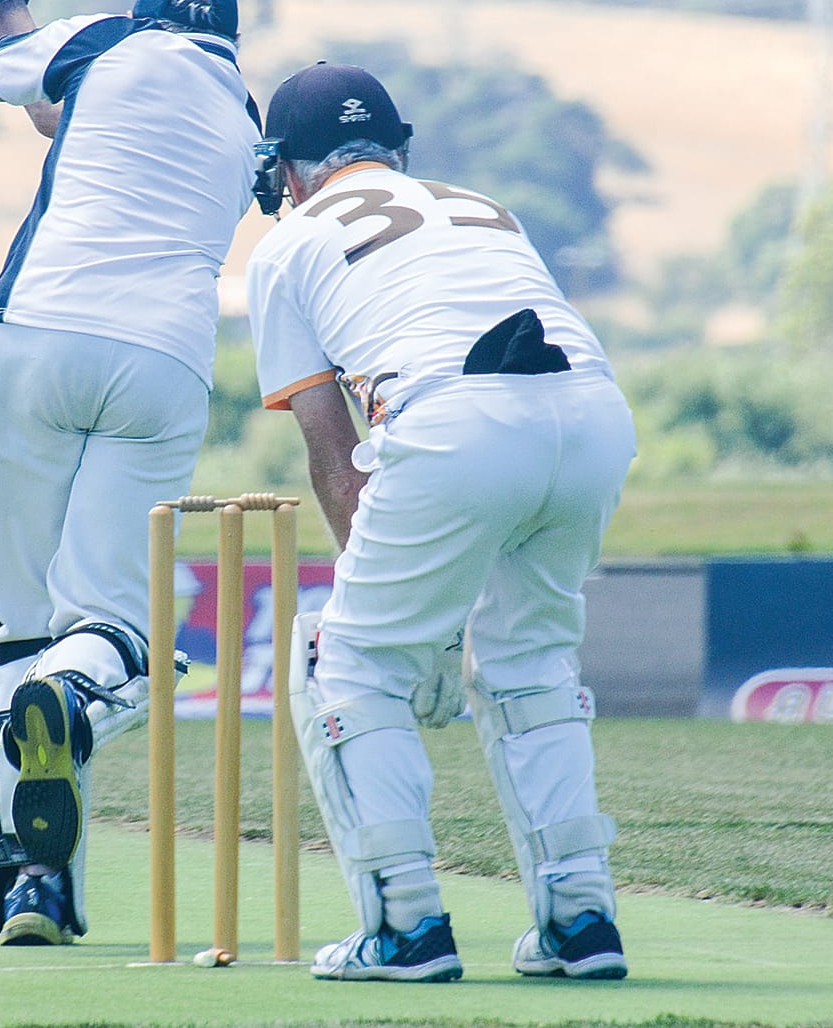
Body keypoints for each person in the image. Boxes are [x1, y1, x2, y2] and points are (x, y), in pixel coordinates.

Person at [244, 62, 636, 983]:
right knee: (532, 663)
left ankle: (405, 926)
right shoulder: (483, 205)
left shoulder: (287, 244)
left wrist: (408, 637)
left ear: (287, 168)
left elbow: (335, 454)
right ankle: (581, 920)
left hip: (455, 418)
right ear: (397, 149)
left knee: (349, 662)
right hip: (592, 416)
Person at [0, 0, 260, 945]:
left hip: (36, 337)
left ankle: (31, 883)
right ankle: (72, 695)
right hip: (161, 363)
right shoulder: (242, 108)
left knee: (11, 623)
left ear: (143, 14)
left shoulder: (106, 39)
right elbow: (53, 109)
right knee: (110, 625)